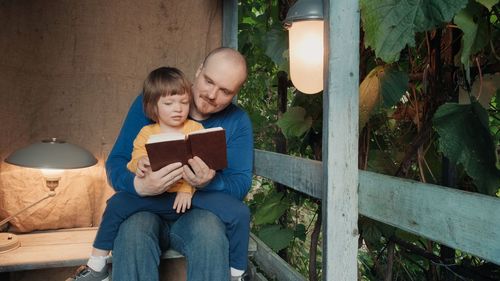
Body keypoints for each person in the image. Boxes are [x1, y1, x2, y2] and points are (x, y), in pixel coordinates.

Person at [66, 65, 252, 281]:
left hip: (199, 207)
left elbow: (240, 183)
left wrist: (205, 182)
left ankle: (237, 275)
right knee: (131, 231)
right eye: (209, 81)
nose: (212, 95)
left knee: (211, 233)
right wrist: (139, 183)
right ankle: (96, 267)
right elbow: (120, 161)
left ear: (236, 92)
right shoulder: (152, 101)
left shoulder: (235, 121)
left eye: (225, 91)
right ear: (199, 69)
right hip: (148, 205)